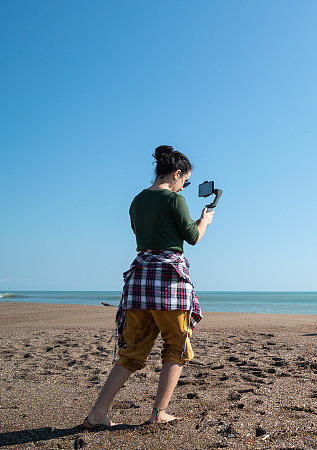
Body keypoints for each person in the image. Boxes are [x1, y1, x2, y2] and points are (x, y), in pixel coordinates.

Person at [83, 145, 214, 428]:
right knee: (176, 347)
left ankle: (98, 413)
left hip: (139, 280)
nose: (184, 187)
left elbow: (153, 234)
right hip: (168, 282)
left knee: (131, 352)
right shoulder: (174, 200)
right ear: (177, 174)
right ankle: (159, 412)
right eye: (185, 181)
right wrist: (204, 221)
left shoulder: (137, 200)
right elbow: (192, 238)